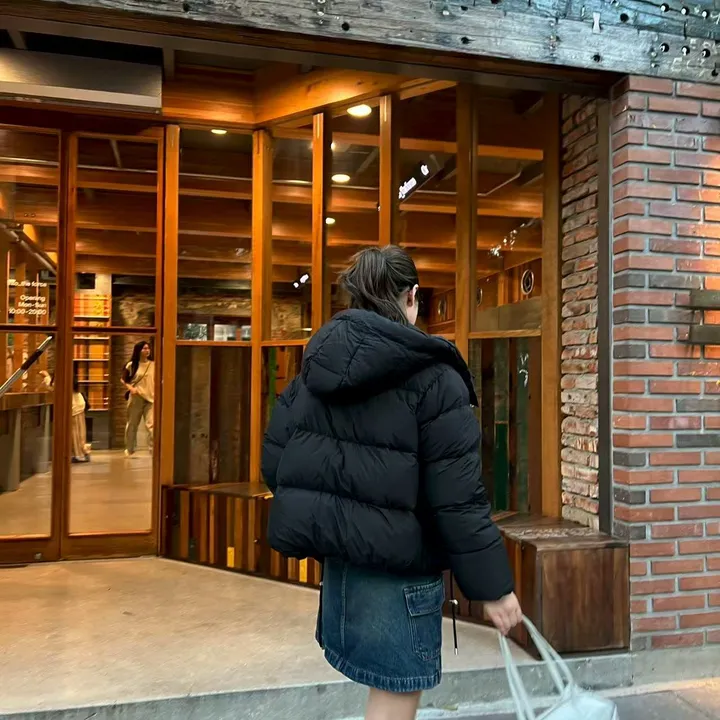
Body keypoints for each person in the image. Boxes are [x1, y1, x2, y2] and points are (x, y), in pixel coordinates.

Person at [262, 246, 521, 720]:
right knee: (394, 699)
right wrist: (494, 588)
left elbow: (276, 464)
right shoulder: (435, 378)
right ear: (412, 296)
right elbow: (458, 499)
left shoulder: (315, 368)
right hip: (400, 578)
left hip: (341, 574)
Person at [122, 341, 154, 458]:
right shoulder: (132, 365)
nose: (147, 350)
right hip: (136, 398)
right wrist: (131, 388)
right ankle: (129, 449)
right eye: (144, 348)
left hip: (151, 399)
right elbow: (124, 379)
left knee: (152, 426)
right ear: (139, 350)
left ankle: (153, 450)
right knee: (132, 424)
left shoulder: (154, 364)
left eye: (148, 348)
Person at [71, 376, 91, 464]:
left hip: (74, 408)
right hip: (79, 406)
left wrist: (47, 377)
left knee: (75, 433)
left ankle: (79, 455)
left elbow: (53, 388)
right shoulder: (72, 379)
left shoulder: (64, 380)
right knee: (81, 432)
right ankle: (83, 452)